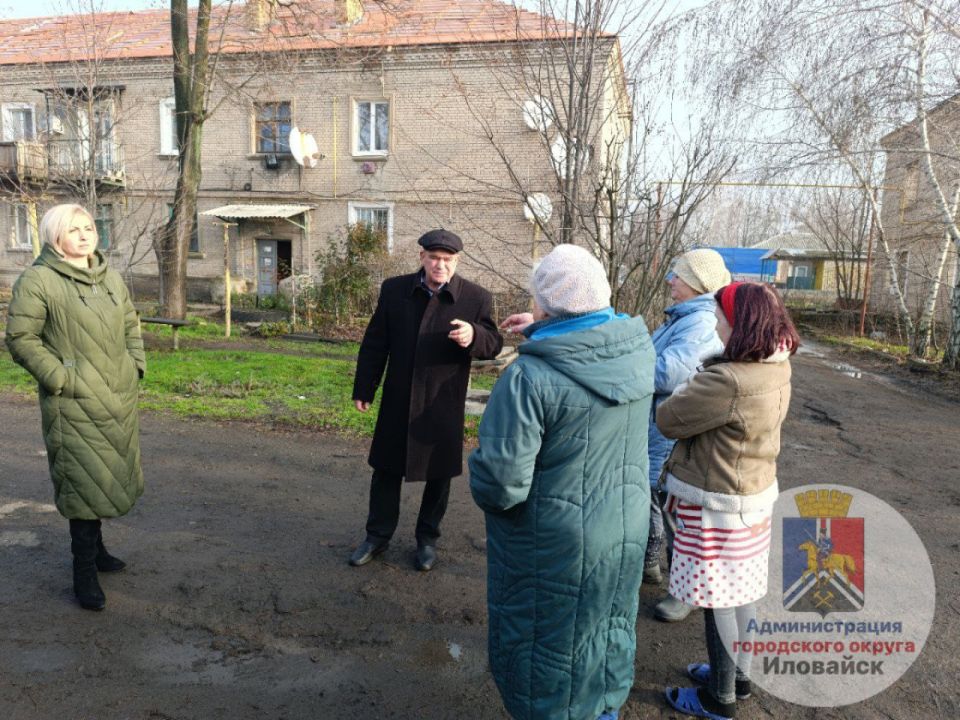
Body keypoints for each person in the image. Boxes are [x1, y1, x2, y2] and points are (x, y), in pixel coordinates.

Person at [469, 244, 655, 720]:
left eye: (535, 299)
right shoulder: (637, 353)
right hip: (624, 527)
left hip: (555, 543)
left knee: (548, 654)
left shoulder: (528, 377)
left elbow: (501, 484)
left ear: (547, 303)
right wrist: (544, 331)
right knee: (603, 631)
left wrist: (479, 458)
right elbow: (585, 355)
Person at [659, 282, 798, 720]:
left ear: (741, 324)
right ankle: (738, 678)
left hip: (716, 502)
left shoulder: (727, 380)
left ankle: (718, 699)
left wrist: (695, 378)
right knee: (743, 594)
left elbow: (669, 419)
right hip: (753, 496)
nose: (714, 323)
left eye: (720, 316)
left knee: (716, 598)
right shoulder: (776, 364)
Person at [5, 204, 145, 612]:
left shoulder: (110, 277)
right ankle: (83, 572)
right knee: (83, 483)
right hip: (74, 403)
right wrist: (60, 377)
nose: (85, 235)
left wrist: (134, 364)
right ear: (54, 237)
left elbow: (130, 324)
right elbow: (21, 338)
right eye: (73, 230)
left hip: (118, 395)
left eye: (89, 227)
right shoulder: (38, 280)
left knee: (106, 475)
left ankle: (99, 552)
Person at [350, 229, 502, 571]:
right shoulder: (395, 290)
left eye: (448, 260)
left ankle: (427, 540)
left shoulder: (476, 297)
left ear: (457, 262)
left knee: (439, 474)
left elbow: (494, 342)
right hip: (398, 395)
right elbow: (376, 342)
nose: (440, 265)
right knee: (386, 470)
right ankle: (377, 536)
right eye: (434, 258)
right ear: (422, 257)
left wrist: (473, 335)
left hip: (442, 401)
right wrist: (364, 388)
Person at [647, 249, 731, 623]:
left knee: (673, 508)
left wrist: (625, 364)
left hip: (672, 427)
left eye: (677, 276)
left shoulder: (699, 323)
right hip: (658, 423)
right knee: (653, 499)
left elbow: (666, 374)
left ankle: (686, 592)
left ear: (697, 284)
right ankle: (650, 565)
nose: (670, 280)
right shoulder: (680, 318)